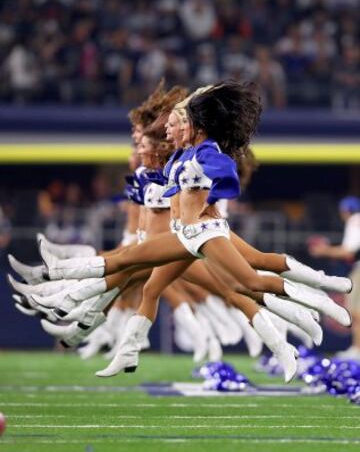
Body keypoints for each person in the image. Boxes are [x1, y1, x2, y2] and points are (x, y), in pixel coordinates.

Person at [36, 82, 351, 381]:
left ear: (194, 127)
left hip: (205, 233)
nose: (170, 130)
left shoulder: (206, 152)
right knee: (137, 271)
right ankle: (116, 339)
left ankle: (318, 306)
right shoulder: (180, 156)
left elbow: (228, 177)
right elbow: (171, 185)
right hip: (183, 236)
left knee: (248, 283)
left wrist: (212, 199)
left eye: (176, 125)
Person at [309, 196, 360, 360]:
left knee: (356, 312)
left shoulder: (354, 220)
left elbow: (348, 251)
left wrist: (323, 250)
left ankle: (357, 350)